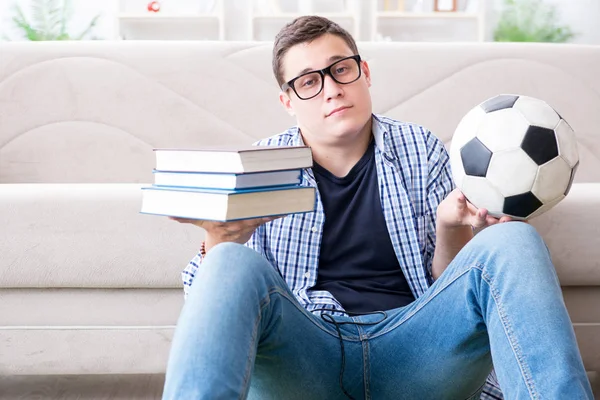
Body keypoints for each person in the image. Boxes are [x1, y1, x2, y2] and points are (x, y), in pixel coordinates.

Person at [161, 16, 593, 400]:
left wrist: (449, 225)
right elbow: (218, 308)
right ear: (288, 101)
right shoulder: (261, 166)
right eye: (309, 81)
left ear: (363, 73)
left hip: (414, 352)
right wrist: (218, 242)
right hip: (306, 357)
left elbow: (453, 291)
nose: (330, 89)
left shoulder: (420, 149)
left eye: (340, 70)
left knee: (513, 238)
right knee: (228, 262)